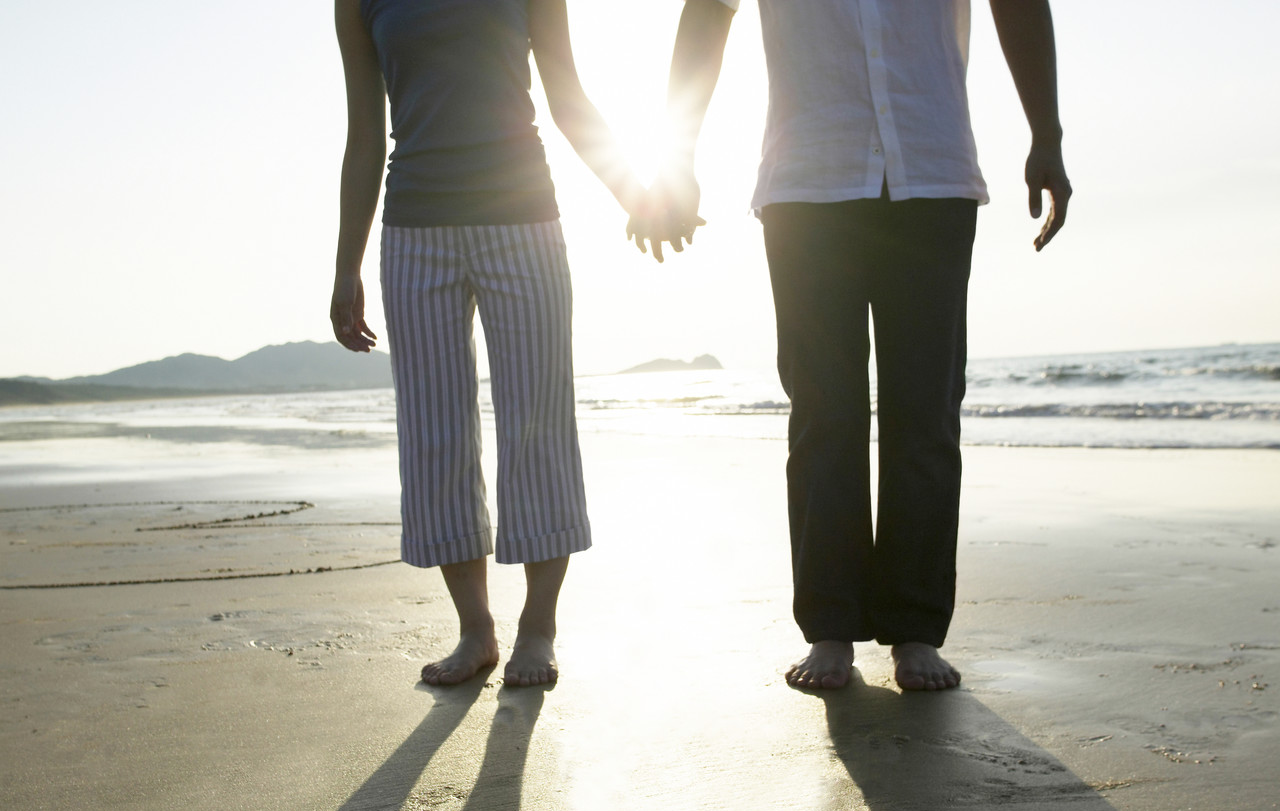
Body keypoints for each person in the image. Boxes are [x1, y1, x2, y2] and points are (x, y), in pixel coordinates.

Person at [648, 0, 1072, 690]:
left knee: (926, 407)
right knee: (825, 409)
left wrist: (1045, 133)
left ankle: (914, 628)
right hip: (808, 179)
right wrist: (677, 156)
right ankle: (831, 626)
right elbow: (707, 13)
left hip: (930, 169)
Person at [330, 0, 651, 687]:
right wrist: (345, 264)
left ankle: (539, 626)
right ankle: (475, 630)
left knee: (538, 428)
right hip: (415, 230)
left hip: (523, 220)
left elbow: (566, 94)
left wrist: (636, 194)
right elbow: (365, 131)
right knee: (435, 437)